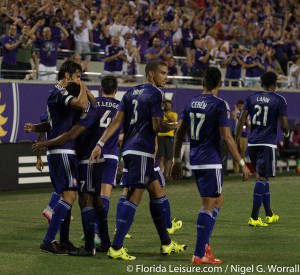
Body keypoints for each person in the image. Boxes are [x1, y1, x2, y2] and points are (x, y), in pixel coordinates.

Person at [89, 61, 186, 260]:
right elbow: (157, 126)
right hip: (142, 150)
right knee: (134, 196)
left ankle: (166, 243)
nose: (166, 77)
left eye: (167, 73)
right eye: (163, 73)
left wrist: (100, 143)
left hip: (133, 150)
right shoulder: (156, 94)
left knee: (157, 193)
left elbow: (117, 121)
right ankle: (116, 247)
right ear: (151, 74)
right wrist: (177, 125)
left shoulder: (129, 93)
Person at [171, 67, 251, 264]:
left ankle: (205, 244)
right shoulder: (220, 104)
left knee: (219, 199)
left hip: (196, 159)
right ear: (220, 84)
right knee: (207, 205)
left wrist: (176, 161)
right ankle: (199, 254)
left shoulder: (191, 102)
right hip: (211, 160)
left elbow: (180, 133)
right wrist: (242, 162)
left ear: (202, 83)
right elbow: (226, 137)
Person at [32, 82, 110, 256]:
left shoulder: (88, 112)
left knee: (85, 201)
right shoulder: (78, 111)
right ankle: (103, 242)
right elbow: (55, 123)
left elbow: (71, 134)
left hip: (88, 161)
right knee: (93, 201)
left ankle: (89, 247)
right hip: (82, 159)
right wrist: (37, 128)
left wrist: (45, 143)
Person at [38, 60, 90, 255]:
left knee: (65, 196)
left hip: (60, 151)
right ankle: (48, 240)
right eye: (78, 76)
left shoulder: (57, 94)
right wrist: (84, 87)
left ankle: (65, 241)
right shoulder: (59, 92)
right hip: (62, 150)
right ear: (67, 76)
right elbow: (83, 103)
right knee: (69, 196)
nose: (80, 80)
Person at [235, 71, 289, 227]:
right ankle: (254, 217)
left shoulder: (251, 97)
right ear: (275, 84)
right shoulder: (279, 99)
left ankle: (269, 214)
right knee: (261, 178)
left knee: (263, 177)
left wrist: (237, 139)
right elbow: (284, 124)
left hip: (252, 143)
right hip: (267, 143)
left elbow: (242, 119)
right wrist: (285, 132)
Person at [157, 100, 178, 181]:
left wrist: (163, 113)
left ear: (171, 106)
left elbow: (172, 120)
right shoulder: (159, 115)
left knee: (169, 157)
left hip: (169, 137)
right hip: (160, 137)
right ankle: (160, 174)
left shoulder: (173, 114)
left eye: (168, 104)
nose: (166, 105)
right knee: (161, 157)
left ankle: (166, 175)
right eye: (165, 104)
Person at [231, 100, 250, 174]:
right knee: (236, 152)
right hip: (236, 135)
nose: (241, 107)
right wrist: (236, 109)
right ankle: (236, 170)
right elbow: (234, 118)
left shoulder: (246, 114)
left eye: (242, 106)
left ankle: (242, 169)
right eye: (239, 106)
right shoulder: (235, 112)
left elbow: (248, 125)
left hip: (244, 135)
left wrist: (246, 120)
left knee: (242, 153)